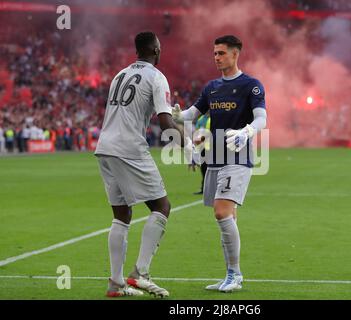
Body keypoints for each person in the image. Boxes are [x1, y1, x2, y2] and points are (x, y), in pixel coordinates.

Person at [173, 35, 267, 292]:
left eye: (221, 53)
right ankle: (230, 274)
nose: (216, 57)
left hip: (238, 158)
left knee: (221, 211)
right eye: (214, 53)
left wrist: (246, 132)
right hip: (214, 159)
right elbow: (192, 114)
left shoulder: (252, 85)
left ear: (236, 54)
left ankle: (235, 275)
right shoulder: (212, 87)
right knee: (227, 216)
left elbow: (261, 120)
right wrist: (176, 114)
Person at [95, 31, 184, 298]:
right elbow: (166, 123)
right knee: (161, 206)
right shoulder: (157, 77)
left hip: (105, 148)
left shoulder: (119, 75)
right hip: (129, 148)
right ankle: (140, 274)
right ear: (156, 49)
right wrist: (190, 147)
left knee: (121, 216)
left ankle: (116, 283)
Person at [191, 112, 211, 195]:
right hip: (202, 147)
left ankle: (210, 188)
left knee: (210, 168)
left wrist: (200, 139)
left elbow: (210, 133)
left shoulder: (212, 119)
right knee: (204, 168)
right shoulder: (201, 119)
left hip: (211, 147)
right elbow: (197, 131)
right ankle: (204, 188)